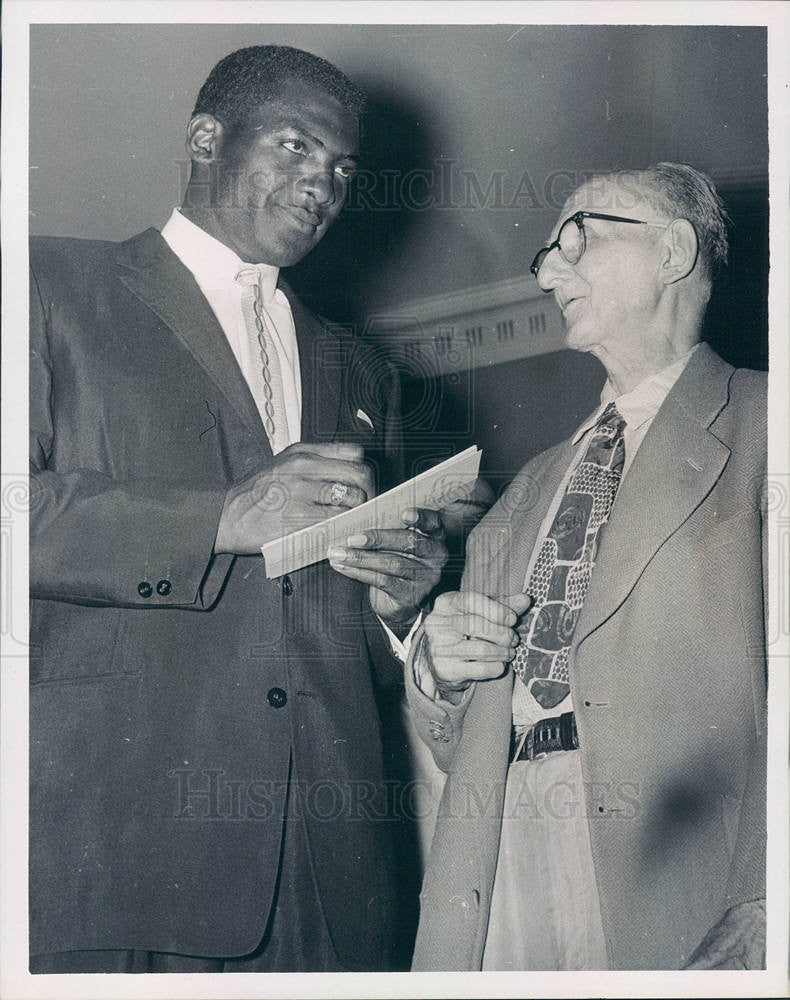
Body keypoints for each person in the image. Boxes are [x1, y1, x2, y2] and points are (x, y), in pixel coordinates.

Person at [29, 45, 449, 973]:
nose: (324, 187)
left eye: (342, 170)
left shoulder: (361, 367)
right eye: (296, 148)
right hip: (127, 839)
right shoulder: (48, 287)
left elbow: (339, 622)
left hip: (331, 870)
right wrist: (220, 517)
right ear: (206, 139)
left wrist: (398, 604)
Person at [407, 163, 767, 970]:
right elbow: (453, 742)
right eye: (547, 256)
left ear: (674, 251)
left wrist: (770, 897)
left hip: (676, 863)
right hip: (499, 860)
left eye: (579, 238)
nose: (550, 272)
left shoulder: (765, 422)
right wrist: (439, 672)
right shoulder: (523, 490)